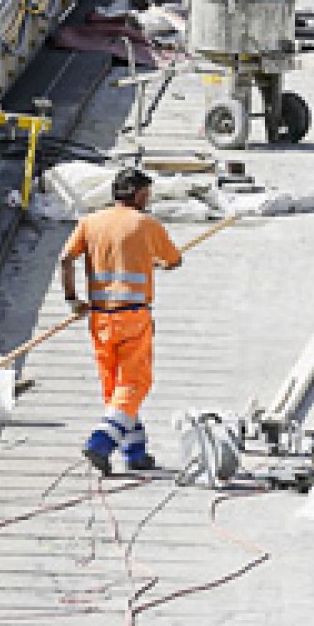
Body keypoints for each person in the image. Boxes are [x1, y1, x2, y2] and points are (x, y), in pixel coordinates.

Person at [61, 166, 182, 475]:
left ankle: (134, 451)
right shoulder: (146, 224)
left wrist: (73, 299)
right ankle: (100, 443)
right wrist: (161, 263)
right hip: (133, 316)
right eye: (148, 194)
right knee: (134, 383)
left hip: (100, 318)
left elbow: (66, 259)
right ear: (139, 194)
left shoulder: (90, 222)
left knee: (115, 388)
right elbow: (174, 259)